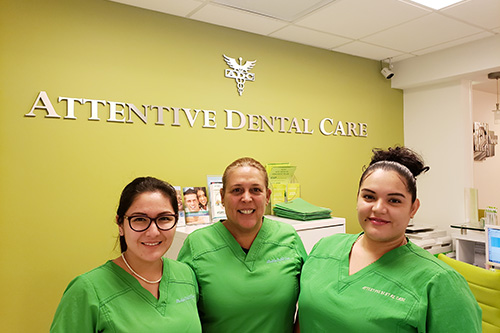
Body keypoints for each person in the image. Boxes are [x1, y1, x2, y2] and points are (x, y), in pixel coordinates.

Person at [297, 146, 482, 332]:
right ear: (357, 199)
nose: (378, 208)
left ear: (413, 208)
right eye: (369, 196)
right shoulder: (324, 248)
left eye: (394, 200)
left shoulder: (440, 283)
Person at [50, 177, 201, 332]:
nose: (153, 232)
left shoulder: (186, 275)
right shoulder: (87, 290)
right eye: (140, 219)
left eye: (164, 218)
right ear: (120, 224)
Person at [178, 157, 307, 333]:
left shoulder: (288, 238)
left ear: (267, 196)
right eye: (237, 190)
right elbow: (182, 314)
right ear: (222, 197)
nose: (246, 198)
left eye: (255, 190)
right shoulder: (197, 245)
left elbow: (313, 299)